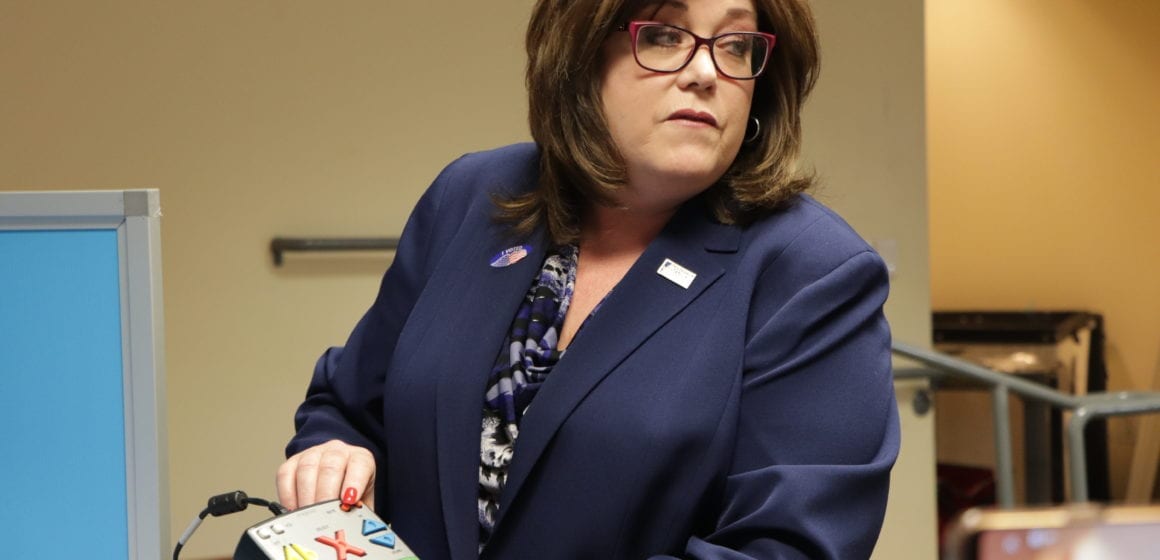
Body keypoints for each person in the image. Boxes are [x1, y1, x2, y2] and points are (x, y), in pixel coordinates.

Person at [277, 0, 900, 558]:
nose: (706, 72)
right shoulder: (473, 195)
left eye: (736, 45)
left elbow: (786, 548)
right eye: (664, 36)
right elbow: (351, 405)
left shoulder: (813, 271)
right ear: (580, 53)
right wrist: (334, 454)